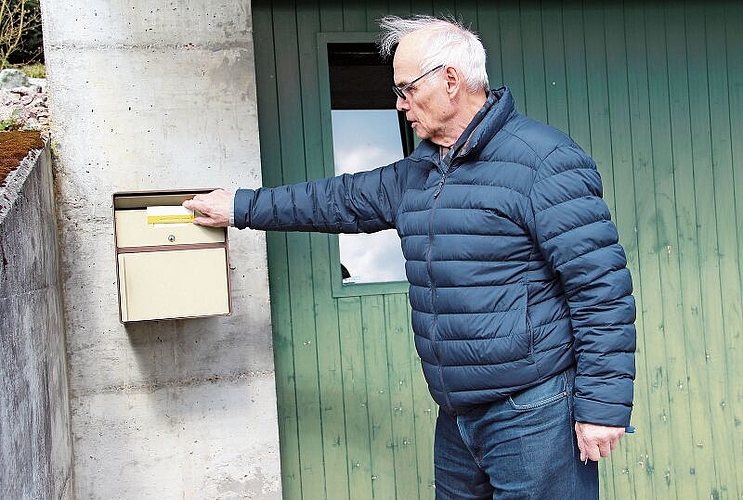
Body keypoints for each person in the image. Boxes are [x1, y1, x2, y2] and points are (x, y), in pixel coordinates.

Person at [184, 15, 636, 499]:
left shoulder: (542, 161)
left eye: (406, 89)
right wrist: (238, 206)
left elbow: (600, 289)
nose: (399, 104)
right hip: (459, 416)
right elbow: (336, 200)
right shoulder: (421, 171)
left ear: (450, 80)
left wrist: (602, 408)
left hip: (533, 410)